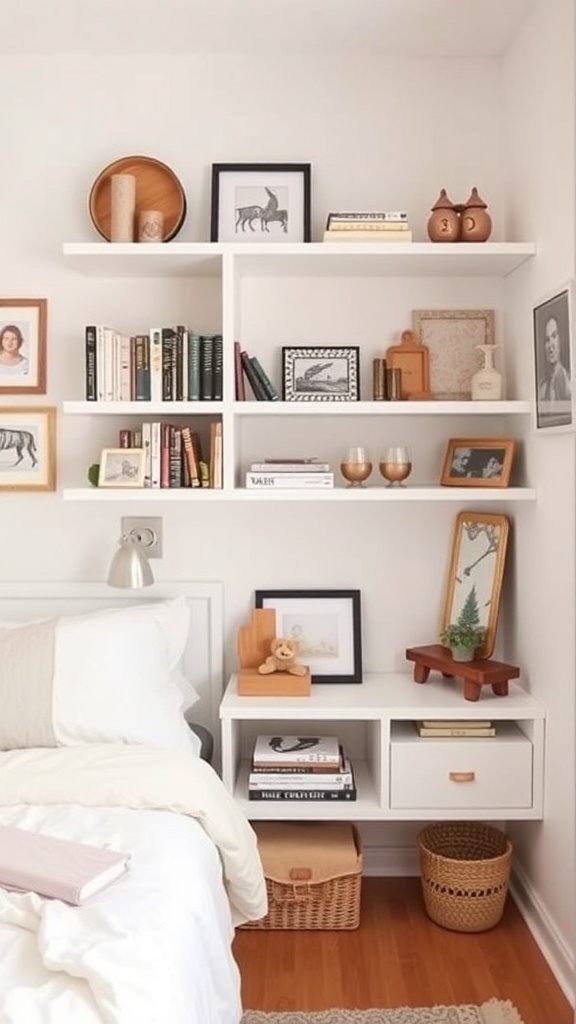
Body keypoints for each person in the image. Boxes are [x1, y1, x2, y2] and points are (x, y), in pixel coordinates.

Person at [538, 315, 571, 403]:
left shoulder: (570, 383)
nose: (550, 345)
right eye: (547, 339)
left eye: (554, 336)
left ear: (560, 340)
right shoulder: (542, 389)